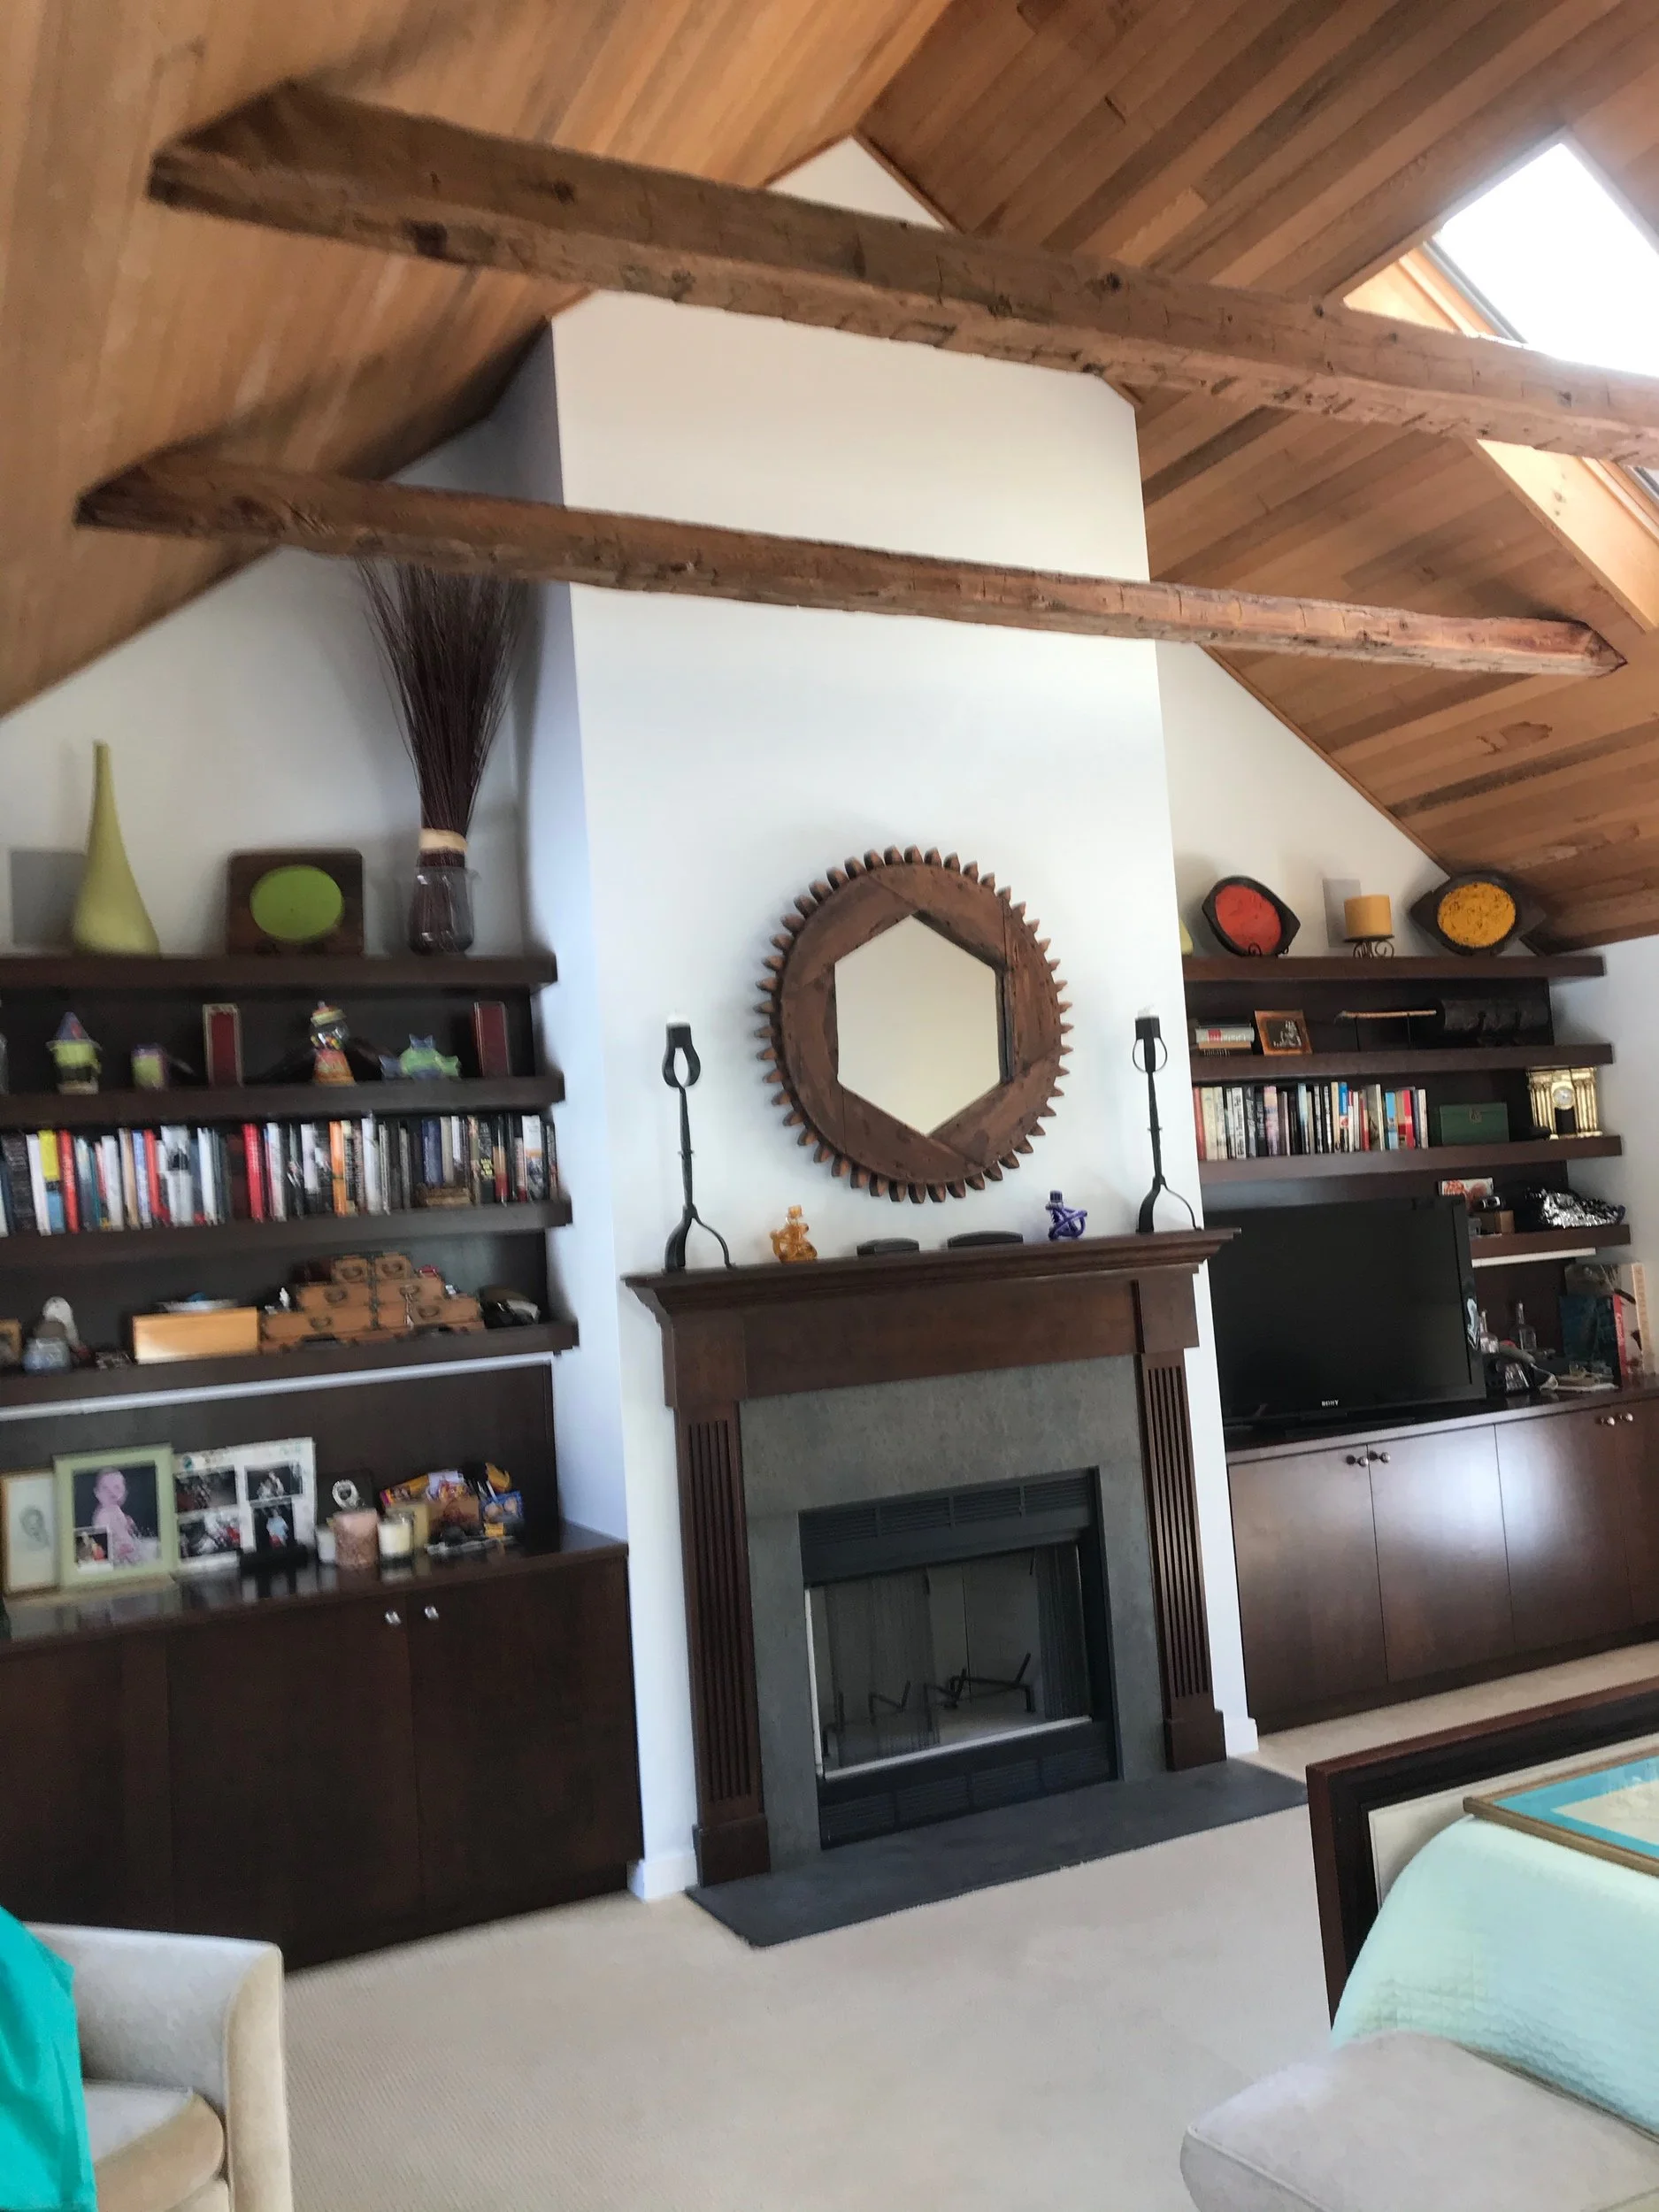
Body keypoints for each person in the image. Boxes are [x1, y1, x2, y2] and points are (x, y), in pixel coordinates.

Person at [88, 1468, 151, 1567]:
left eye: (117, 1488)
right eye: (106, 1489)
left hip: (128, 1556)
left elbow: (123, 1529)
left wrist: (126, 1523)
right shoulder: (103, 1515)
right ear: (97, 1493)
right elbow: (99, 1548)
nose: (112, 1494)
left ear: (125, 1492)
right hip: (117, 1559)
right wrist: (118, 1549)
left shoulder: (115, 1510)